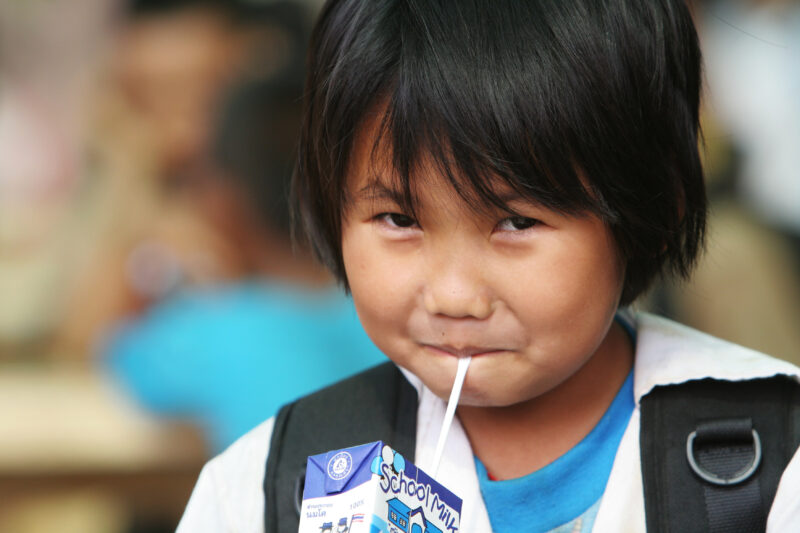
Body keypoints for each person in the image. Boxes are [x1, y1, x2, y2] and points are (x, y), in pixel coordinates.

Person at [177, 1, 800, 531]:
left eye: (517, 222)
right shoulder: (267, 489)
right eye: (399, 219)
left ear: (649, 210)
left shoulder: (774, 461)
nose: (453, 296)